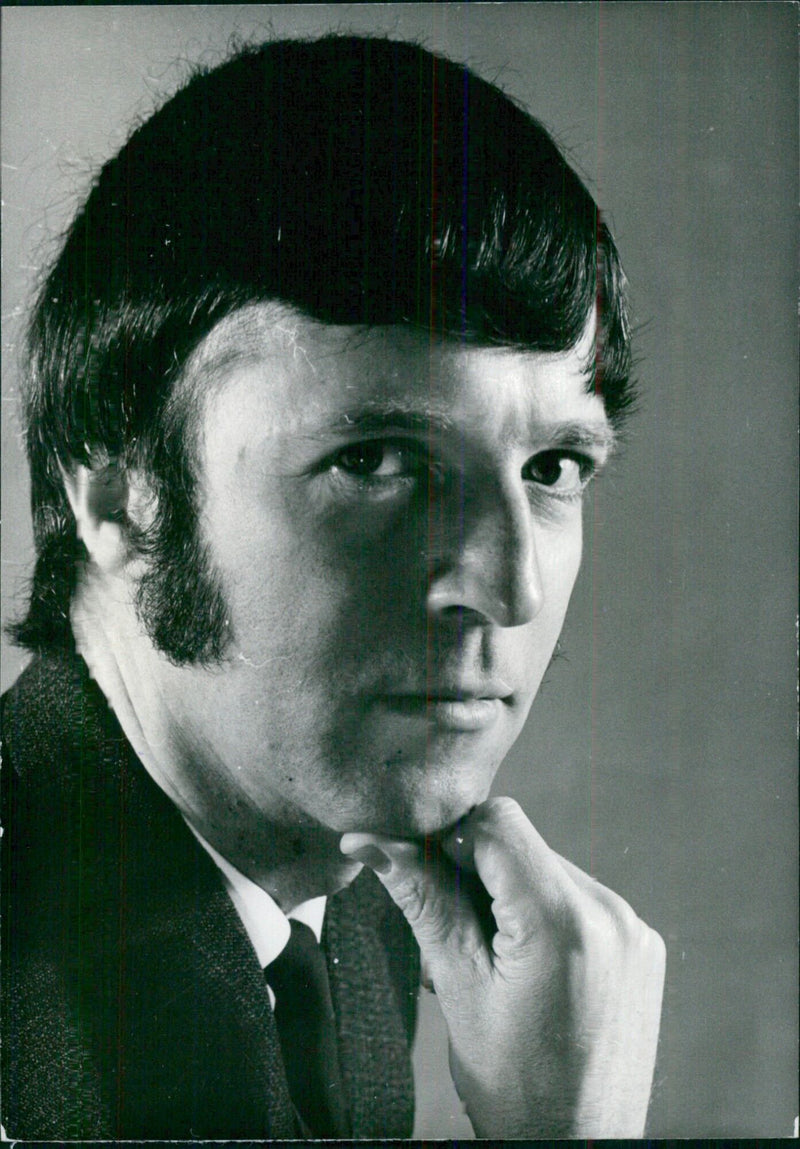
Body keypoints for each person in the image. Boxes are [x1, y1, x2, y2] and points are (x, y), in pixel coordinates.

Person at [1, 33, 665, 1139]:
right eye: (375, 462)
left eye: (552, 470)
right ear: (122, 502)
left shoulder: (361, 937)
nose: (505, 590)